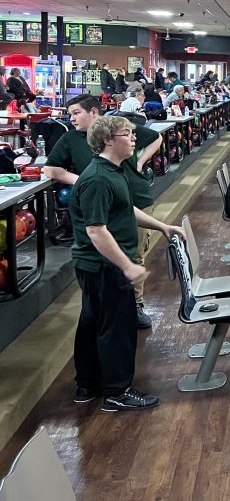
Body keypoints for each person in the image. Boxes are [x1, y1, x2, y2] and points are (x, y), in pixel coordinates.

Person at [69, 115, 185, 411]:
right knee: (118, 328)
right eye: (127, 134)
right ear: (108, 140)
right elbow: (96, 231)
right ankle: (117, 392)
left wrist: (162, 226)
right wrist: (127, 265)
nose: (134, 139)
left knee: (94, 322)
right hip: (105, 265)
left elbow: (125, 209)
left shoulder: (111, 171)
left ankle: (89, 385)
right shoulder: (97, 178)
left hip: (100, 265)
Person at [44, 94, 164, 328]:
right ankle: (118, 313)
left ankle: (136, 306)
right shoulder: (72, 140)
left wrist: (140, 162)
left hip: (135, 197)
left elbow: (156, 137)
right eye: (70, 114)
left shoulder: (118, 128)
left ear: (94, 112)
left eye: (76, 113)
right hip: (102, 202)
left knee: (134, 254)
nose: (72, 118)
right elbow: (51, 169)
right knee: (113, 259)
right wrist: (82, 181)